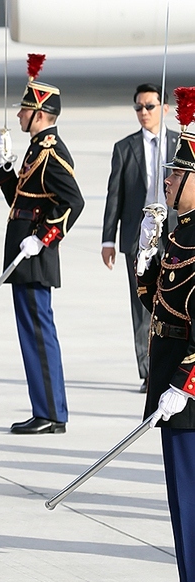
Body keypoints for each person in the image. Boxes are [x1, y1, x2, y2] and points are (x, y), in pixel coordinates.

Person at [0, 54, 84, 435]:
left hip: (35, 256)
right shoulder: (35, 149)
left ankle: (51, 414)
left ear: (41, 114)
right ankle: (44, 408)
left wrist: (45, 238)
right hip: (24, 254)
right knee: (30, 333)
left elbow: (73, 202)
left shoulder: (52, 152)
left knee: (39, 334)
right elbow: (23, 199)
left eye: (25, 110)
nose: (19, 116)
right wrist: (5, 170)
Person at [138, 86, 195, 582]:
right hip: (172, 392)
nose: (169, 181)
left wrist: (184, 384)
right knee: (182, 506)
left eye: (178, 176)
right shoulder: (182, 236)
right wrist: (148, 258)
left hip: (189, 397)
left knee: (192, 502)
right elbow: (155, 302)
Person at [103, 83, 178, 393]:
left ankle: (175, 367)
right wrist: (108, 239)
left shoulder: (180, 142)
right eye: (138, 107)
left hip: (175, 233)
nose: (144, 112)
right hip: (139, 236)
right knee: (143, 304)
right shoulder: (125, 148)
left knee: (174, 302)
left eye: (149, 106)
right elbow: (114, 196)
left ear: (163, 108)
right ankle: (148, 371)